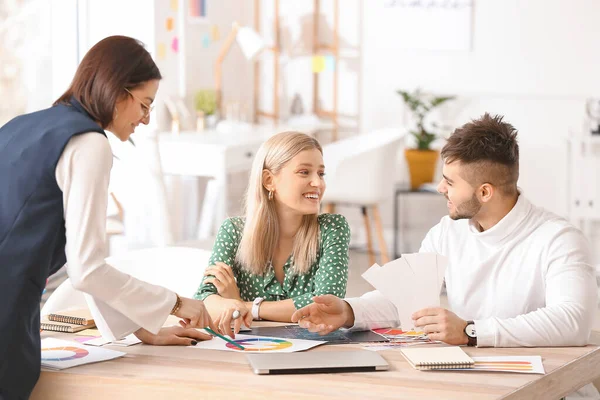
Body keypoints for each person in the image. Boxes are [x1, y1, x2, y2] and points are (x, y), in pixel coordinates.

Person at [292, 114, 598, 396]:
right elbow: (407, 295)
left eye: (450, 182)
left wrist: (471, 331)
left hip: (551, 389)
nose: (440, 188)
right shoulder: (448, 232)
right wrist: (349, 311)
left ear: (485, 192)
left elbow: (573, 321)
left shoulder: (559, 238)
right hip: (481, 384)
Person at [0, 36, 216, 400]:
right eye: (145, 104)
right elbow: (88, 269)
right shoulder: (89, 143)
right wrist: (176, 303)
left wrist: (141, 328)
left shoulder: (20, 126)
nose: (146, 119)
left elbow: (81, 259)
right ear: (118, 92)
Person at [193, 131, 351, 338]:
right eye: (304, 172)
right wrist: (231, 304)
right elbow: (203, 299)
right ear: (269, 180)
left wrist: (244, 305)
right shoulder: (233, 231)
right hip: (245, 353)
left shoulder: (332, 229)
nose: (318, 183)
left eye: (321, 174)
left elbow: (326, 303)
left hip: (312, 355)